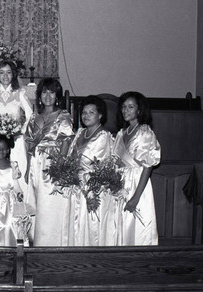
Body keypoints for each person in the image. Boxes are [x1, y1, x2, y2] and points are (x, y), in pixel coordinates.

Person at [24, 77, 74, 246]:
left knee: (50, 204)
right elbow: (29, 144)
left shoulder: (63, 116)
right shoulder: (33, 118)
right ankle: (35, 240)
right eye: (45, 92)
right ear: (39, 95)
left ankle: (50, 242)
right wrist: (27, 168)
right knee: (36, 202)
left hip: (52, 162)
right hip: (35, 162)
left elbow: (66, 142)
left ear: (57, 96)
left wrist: (60, 166)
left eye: (52, 92)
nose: (48, 96)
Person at [0, 60, 33, 214]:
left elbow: (30, 115)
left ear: (14, 75)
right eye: (2, 72)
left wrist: (19, 131)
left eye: (9, 72)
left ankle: (18, 216)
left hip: (14, 144)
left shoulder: (20, 93)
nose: (5, 76)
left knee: (15, 178)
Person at [113, 91, 160, 245]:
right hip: (121, 183)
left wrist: (136, 197)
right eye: (124, 107)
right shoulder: (121, 133)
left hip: (137, 182)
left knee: (136, 226)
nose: (126, 110)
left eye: (130, 107)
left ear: (139, 110)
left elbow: (148, 167)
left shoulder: (144, 132)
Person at [67, 96, 115, 246]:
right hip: (77, 187)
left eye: (91, 112)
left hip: (93, 189)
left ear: (100, 115)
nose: (86, 116)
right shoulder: (80, 132)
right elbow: (71, 158)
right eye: (84, 112)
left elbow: (94, 166)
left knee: (92, 229)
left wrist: (88, 190)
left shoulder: (103, 137)